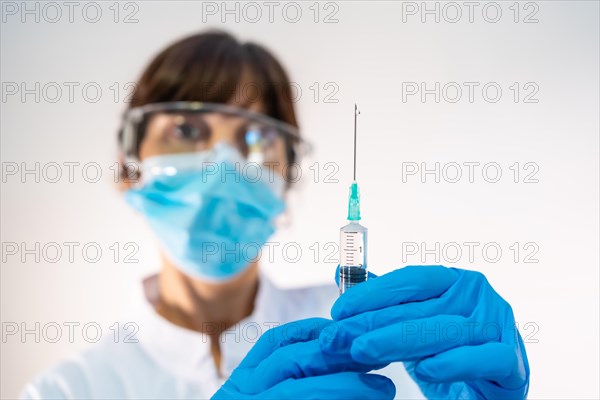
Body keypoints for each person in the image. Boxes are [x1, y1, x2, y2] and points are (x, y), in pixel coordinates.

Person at [21, 31, 530, 400]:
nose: (224, 163)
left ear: (285, 186)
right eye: (187, 130)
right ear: (129, 167)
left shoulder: (371, 337)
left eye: (256, 138)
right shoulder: (69, 390)